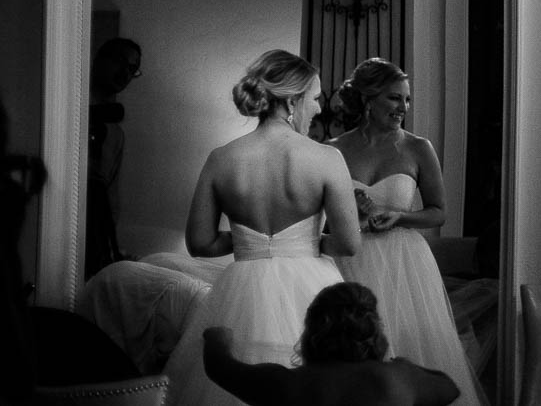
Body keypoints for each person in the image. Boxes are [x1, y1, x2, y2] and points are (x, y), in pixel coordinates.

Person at [161, 49, 362, 406]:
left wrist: (248, 241)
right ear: (292, 100)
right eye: (314, 99)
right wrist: (305, 242)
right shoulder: (326, 158)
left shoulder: (221, 158)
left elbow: (200, 244)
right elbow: (348, 243)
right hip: (312, 287)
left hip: (241, 288)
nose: (318, 108)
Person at [328, 59, 487, 406]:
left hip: (405, 264)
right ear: (368, 99)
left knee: (406, 348)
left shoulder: (418, 148)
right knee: (353, 354)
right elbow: (324, 219)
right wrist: (349, 212)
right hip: (349, 261)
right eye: (394, 98)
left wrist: (397, 216)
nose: (404, 108)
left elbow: (438, 212)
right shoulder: (333, 149)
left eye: (407, 99)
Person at [202, 281, 459, 406]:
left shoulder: (286, 383)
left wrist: (218, 338)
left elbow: (218, 365)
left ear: (313, 329)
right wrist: (405, 365)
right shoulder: (398, 377)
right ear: (373, 328)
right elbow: (450, 389)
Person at [86, 37, 142, 278]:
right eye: (120, 61)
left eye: (132, 69)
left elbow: (111, 195)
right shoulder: (66, 108)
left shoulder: (115, 134)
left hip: (93, 239)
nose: (125, 73)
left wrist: (110, 247)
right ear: (98, 59)